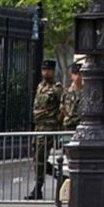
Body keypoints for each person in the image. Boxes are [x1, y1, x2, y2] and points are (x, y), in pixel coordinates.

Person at [30, 59, 64, 199]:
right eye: (44, 70)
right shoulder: (40, 86)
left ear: (52, 71)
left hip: (48, 128)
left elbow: (63, 107)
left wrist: (56, 123)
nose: (45, 72)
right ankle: (59, 175)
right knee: (37, 158)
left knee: (40, 157)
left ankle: (38, 188)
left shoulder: (56, 88)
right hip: (38, 128)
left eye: (48, 70)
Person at [62, 62, 83, 131]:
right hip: (68, 126)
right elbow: (62, 108)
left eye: (80, 74)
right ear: (71, 76)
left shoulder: (87, 92)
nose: (77, 77)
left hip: (81, 126)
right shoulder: (66, 92)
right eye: (75, 74)